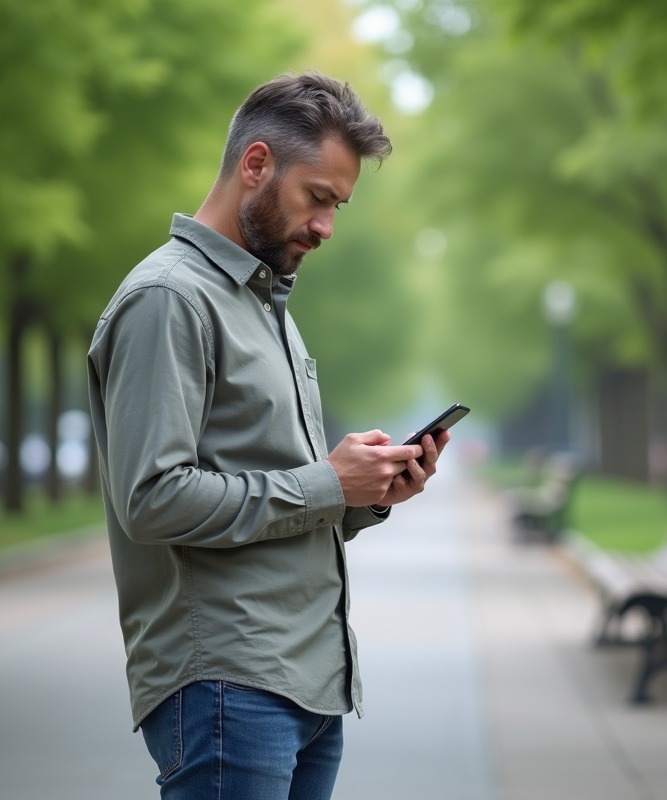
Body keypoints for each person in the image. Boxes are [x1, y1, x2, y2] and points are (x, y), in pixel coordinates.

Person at [86, 71, 449, 800]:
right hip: (228, 688)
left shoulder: (265, 303)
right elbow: (153, 499)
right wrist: (326, 481)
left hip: (308, 688)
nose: (326, 228)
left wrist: (365, 494)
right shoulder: (170, 299)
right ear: (256, 165)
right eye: (318, 198)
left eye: (337, 207)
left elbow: (271, 497)